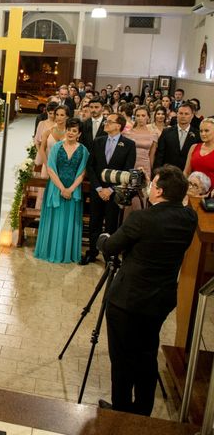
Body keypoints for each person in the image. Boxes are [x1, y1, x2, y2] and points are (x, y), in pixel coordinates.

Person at [98, 165, 197, 416]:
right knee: (146, 353)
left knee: (121, 359)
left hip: (128, 299)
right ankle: (143, 412)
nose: (149, 187)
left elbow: (111, 247)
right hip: (160, 299)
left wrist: (103, 238)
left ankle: (120, 412)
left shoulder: (142, 219)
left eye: (152, 184)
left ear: (160, 191)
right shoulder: (189, 218)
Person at [80, 113, 136, 265]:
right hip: (97, 190)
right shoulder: (98, 141)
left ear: (118, 126)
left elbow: (127, 171)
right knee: (94, 222)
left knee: (111, 223)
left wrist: (110, 190)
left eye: (109, 121)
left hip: (115, 191)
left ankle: (109, 256)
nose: (106, 123)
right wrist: (98, 188)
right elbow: (90, 166)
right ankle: (92, 252)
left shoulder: (129, 145)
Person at [34, 118, 89, 263]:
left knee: (68, 220)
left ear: (79, 134)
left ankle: (65, 253)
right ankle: (50, 250)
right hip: (55, 187)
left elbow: (82, 173)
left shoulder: (84, 151)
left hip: (73, 190)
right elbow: (51, 169)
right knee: (55, 218)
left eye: (74, 131)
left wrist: (70, 189)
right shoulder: (57, 147)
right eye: (69, 129)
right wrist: (62, 188)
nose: (70, 133)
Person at [154, 102, 200, 171]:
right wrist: (157, 172)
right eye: (181, 113)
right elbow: (159, 155)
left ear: (192, 115)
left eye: (186, 114)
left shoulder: (197, 134)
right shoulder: (166, 132)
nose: (183, 116)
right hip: (167, 173)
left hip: (187, 175)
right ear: (177, 114)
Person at [184, 118, 214, 183]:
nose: (203, 134)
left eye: (206, 131)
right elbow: (186, 172)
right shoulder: (194, 147)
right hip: (192, 190)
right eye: (201, 131)